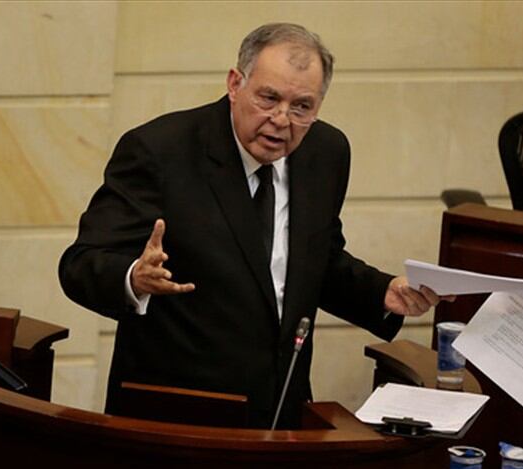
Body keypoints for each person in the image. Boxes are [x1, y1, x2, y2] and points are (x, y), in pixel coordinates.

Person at [59, 23, 452, 428]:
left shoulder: (326, 153)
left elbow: (315, 259)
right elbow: (80, 263)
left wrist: (381, 292)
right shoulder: (160, 150)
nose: (282, 119)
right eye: (268, 98)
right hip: (178, 416)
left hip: (281, 411)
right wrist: (133, 278)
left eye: (302, 106)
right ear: (235, 84)